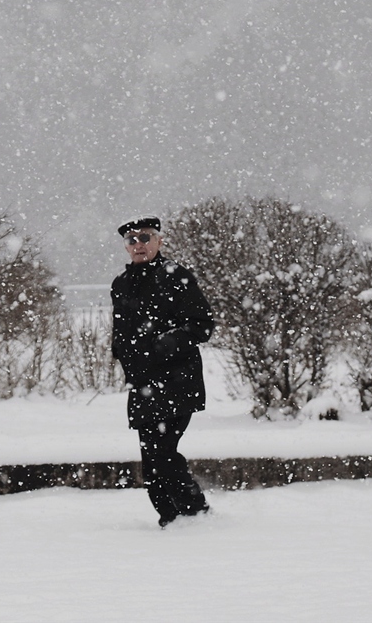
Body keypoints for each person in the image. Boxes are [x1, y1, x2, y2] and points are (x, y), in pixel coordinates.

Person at [110, 216, 215, 528]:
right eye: (131, 239)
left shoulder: (176, 276)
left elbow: (202, 324)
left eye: (145, 237)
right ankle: (170, 519)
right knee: (151, 459)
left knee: (163, 453)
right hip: (142, 383)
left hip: (176, 381)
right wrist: (123, 356)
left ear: (159, 241)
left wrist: (168, 342)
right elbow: (121, 332)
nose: (138, 244)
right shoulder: (121, 284)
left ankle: (195, 514)